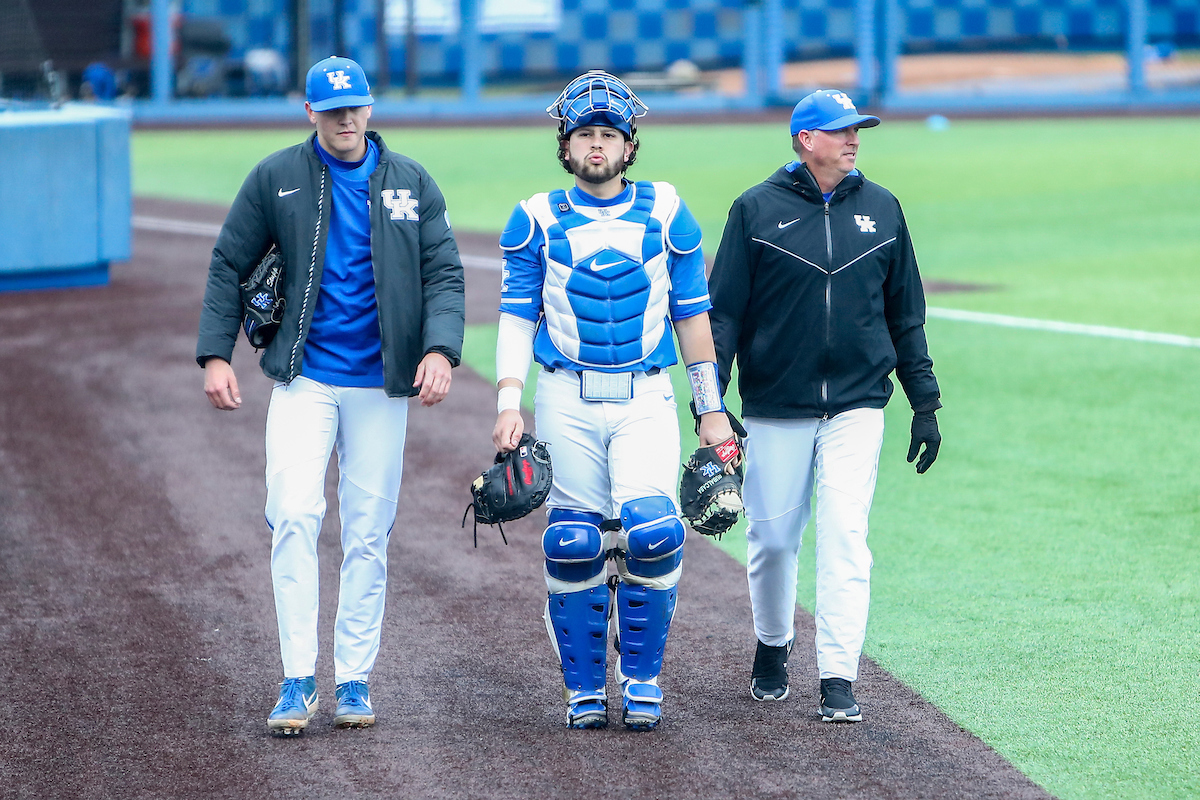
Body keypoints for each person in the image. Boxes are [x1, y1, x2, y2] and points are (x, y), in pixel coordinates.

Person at [196, 56, 465, 736]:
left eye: (357, 107)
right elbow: (230, 261)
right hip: (305, 378)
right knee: (292, 514)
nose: (347, 119)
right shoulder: (278, 177)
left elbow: (444, 273)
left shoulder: (409, 182)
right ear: (309, 112)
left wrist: (439, 348)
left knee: (368, 535)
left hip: (381, 383)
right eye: (333, 108)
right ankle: (296, 679)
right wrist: (214, 355)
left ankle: (353, 679)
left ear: (370, 109)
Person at [491, 70, 735, 731]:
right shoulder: (537, 218)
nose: (596, 146)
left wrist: (709, 407)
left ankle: (644, 678)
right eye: (584, 136)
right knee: (573, 542)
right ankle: (583, 689)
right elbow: (516, 314)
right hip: (565, 394)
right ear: (565, 147)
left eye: (608, 135)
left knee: (653, 531)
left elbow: (692, 315)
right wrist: (509, 400)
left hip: (646, 396)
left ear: (629, 146)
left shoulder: (666, 210)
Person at [708, 89, 942, 723]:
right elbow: (721, 314)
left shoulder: (884, 209)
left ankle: (838, 676)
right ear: (805, 139)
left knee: (846, 536)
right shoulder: (755, 210)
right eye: (841, 130)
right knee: (775, 539)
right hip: (774, 404)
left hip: (858, 406)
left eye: (857, 129)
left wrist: (924, 401)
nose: (854, 138)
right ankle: (773, 646)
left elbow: (906, 315)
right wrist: (710, 400)